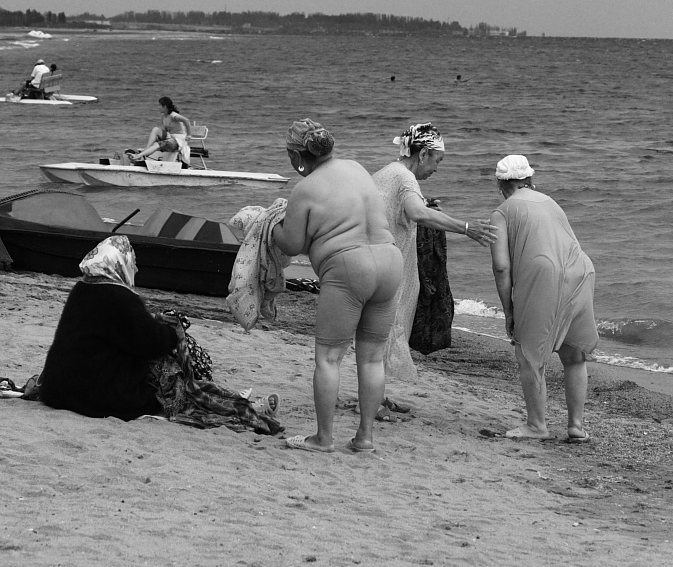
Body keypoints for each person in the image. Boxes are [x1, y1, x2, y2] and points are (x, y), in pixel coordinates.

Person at [39, 236, 282, 434]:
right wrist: (174, 331)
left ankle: (242, 401)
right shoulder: (120, 298)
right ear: (119, 263)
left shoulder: (81, 290)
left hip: (56, 389)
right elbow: (150, 343)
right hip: (92, 396)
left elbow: (123, 333)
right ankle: (246, 407)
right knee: (172, 388)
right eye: (132, 262)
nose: (135, 268)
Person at [272, 118, 403, 454]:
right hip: (389, 260)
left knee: (329, 358)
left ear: (298, 156)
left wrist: (265, 225)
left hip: (348, 267)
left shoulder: (305, 189)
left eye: (290, 156)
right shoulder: (357, 168)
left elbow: (291, 243)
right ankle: (365, 438)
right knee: (372, 357)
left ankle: (323, 439)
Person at [372, 123, 497, 391]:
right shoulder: (405, 178)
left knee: (380, 337)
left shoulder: (387, 173)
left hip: (376, 264)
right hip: (390, 270)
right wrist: (465, 228)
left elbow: (401, 208)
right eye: (436, 161)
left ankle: (377, 397)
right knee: (386, 336)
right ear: (423, 154)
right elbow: (418, 214)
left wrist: (424, 204)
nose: (436, 168)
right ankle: (374, 402)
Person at [489, 155, 599, 442]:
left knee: (529, 355)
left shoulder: (501, 212)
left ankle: (537, 425)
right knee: (574, 355)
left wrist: (509, 312)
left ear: (501, 184)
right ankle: (576, 426)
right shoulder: (551, 202)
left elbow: (501, 267)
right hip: (581, 269)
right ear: (529, 180)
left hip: (543, 275)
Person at [131, 96, 192, 164]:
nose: (158, 107)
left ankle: (139, 156)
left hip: (178, 140)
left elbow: (186, 120)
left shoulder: (173, 115)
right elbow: (167, 130)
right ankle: (146, 149)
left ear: (165, 106)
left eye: (159, 105)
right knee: (156, 129)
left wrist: (189, 135)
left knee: (157, 144)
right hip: (170, 137)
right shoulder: (163, 116)